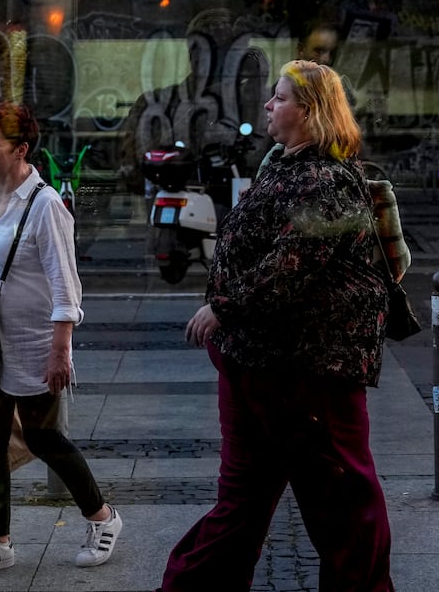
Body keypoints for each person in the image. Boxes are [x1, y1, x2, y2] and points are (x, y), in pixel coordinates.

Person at [160, 59, 394, 592]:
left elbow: (296, 261)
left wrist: (224, 307)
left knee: (342, 499)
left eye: (280, 97)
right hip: (255, 362)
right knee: (243, 498)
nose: (268, 105)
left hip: (310, 368)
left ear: (309, 112)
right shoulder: (282, 167)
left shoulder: (326, 179)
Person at [0, 102, 122, 579]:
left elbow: (66, 283)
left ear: (21, 149)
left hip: (33, 341)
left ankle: (102, 518)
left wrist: (60, 348)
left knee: (44, 437)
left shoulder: (46, 205)